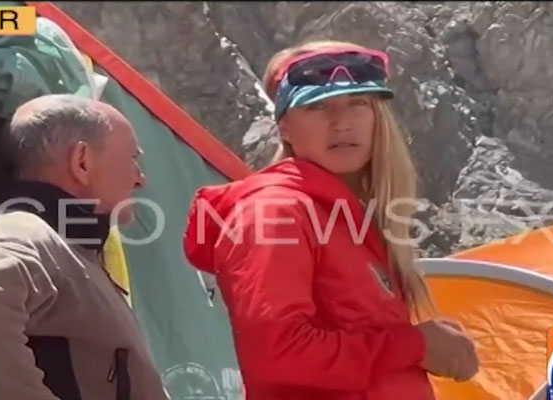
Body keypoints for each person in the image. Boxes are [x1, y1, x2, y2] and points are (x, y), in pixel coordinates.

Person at [182, 40, 479, 399]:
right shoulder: (275, 211)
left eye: (358, 103)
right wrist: (415, 345)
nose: (342, 123)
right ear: (284, 127)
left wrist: (426, 346)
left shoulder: (347, 219)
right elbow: (277, 355)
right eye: (317, 106)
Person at [0, 94, 169, 400]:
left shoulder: (64, 243)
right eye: (133, 158)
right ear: (82, 161)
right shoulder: (22, 232)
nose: (140, 179)